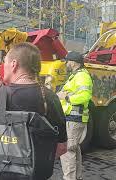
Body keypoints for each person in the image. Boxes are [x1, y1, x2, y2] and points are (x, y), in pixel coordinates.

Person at [0, 42, 67, 179]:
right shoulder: (51, 98)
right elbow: (62, 147)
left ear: (14, 64)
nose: (3, 66)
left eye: (5, 62)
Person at [57, 51, 93, 180]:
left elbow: (85, 96)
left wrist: (66, 97)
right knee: (73, 149)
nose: (66, 63)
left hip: (74, 117)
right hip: (73, 117)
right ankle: (77, 177)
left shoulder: (82, 76)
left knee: (67, 151)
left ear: (73, 62)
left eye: (67, 61)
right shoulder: (76, 75)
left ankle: (70, 178)